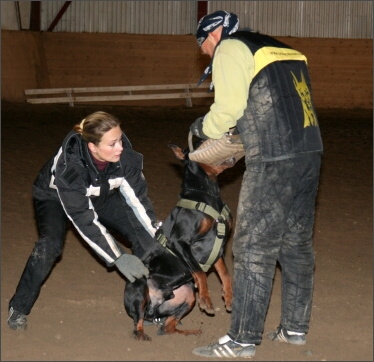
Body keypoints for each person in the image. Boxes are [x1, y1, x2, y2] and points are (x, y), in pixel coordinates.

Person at [190, 10, 323, 358]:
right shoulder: (285, 50)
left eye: (203, 46)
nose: (205, 54)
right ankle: (295, 329)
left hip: (274, 158)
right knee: (295, 245)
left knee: (251, 249)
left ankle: (242, 340)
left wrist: (202, 129)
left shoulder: (231, 47)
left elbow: (229, 108)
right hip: (309, 152)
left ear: (212, 35)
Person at [7, 111, 159, 330]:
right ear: (93, 147)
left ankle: (151, 305)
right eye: (112, 144)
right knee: (49, 246)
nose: (120, 148)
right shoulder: (70, 165)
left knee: (145, 237)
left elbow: (138, 200)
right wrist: (118, 257)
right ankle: (19, 307)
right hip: (55, 197)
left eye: (120, 139)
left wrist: (156, 234)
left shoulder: (123, 155)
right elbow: (83, 218)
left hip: (99, 193)